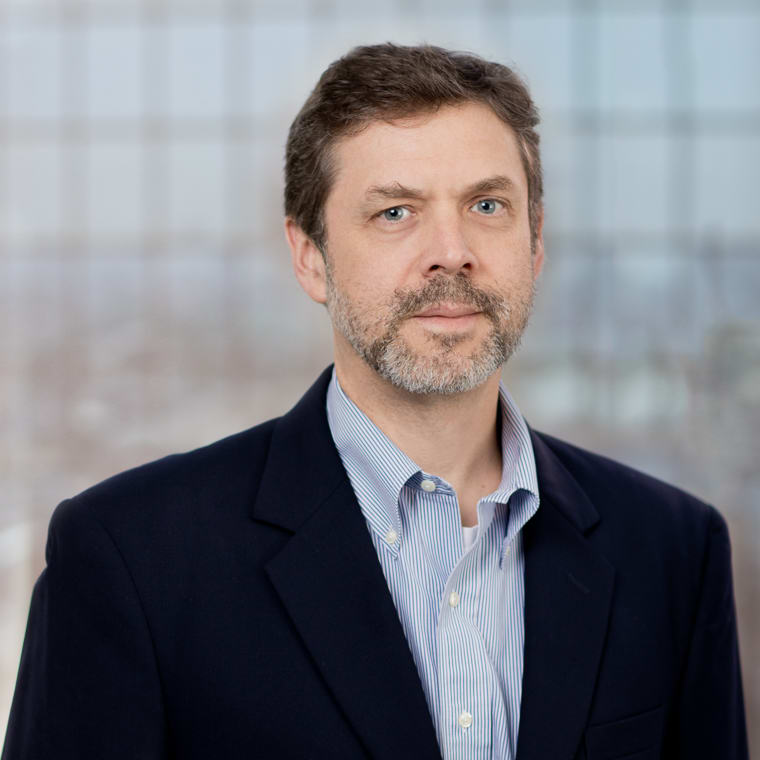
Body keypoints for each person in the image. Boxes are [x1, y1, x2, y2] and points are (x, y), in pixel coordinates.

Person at [2, 43, 748, 760]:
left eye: (488, 204)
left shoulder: (673, 553)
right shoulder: (131, 558)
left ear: (536, 241)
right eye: (396, 212)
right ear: (310, 257)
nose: (451, 251)